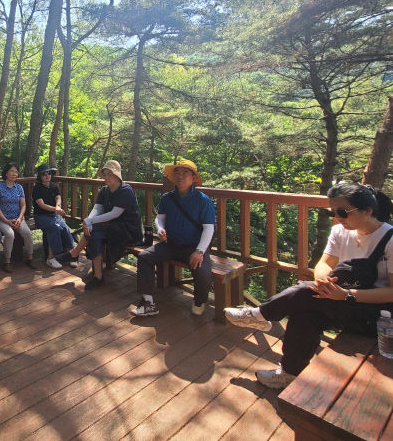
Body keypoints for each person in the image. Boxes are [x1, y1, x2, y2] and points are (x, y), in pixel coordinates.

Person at [225, 182, 393, 389]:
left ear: (368, 210)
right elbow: (324, 263)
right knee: (303, 311)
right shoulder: (341, 231)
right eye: (332, 213)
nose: (338, 218)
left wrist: (346, 295)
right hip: (339, 300)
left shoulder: (389, 240)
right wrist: (322, 280)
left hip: (375, 316)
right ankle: (288, 372)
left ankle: (259, 315)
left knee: (304, 297)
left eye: (343, 212)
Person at [130, 159, 214, 316]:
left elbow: (209, 228)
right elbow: (160, 218)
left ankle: (199, 300)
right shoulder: (167, 198)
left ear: (193, 178)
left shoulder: (203, 200)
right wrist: (160, 229)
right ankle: (148, 302)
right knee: (144, 256)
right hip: (171, 243)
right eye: (177, 173)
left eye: (185, 173)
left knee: (202, 272)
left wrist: (200, 251)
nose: (180, 177)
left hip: (194, 246)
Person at [56, 160, 143, 290]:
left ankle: (74, 253)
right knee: (93, 233)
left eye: (110, 174)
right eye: (105, 174)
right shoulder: (104, 190)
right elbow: (97, 209)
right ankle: (98, 277)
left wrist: (91, 222)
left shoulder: (126, 190)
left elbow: (115, 213)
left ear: (117, 175)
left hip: (129, 231)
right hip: (111, 227)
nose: (106, 177)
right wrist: (88, 220)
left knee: (94, 228)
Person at [0, 162, 35, 272]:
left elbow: (23, 205)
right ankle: (7, 261)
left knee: (28, 233)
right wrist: (6, 220)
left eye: (16, 172)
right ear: (6, 173)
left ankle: (30, 258)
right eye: (12, 171)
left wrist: (20, 218)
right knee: (10, 234)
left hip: (17, 218)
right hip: (1, 219)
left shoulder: (19, 187)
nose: (14, 174)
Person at [32, 164, 74, 269]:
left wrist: (57, 206)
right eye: (44, 174)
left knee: (64, 228)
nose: (47, 176)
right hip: (41, 216)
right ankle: (51, 258)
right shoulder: (37, 188)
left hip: (54, 214)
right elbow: (41, 205)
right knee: (54, 227)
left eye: (49, 173)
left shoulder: (54, 186)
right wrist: (56, 209)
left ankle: (71, 254)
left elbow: (58, 197)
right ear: (40, 176)